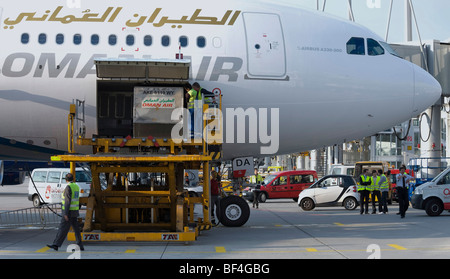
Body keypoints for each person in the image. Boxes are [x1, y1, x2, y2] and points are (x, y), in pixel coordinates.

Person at [47, 173, 84, 251]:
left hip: (69, 212)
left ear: (66, 179)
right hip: (74, 211)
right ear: (73, 179)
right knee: (76, 229)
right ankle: (80, 245)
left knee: (62, 228)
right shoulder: (76, 186)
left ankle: (56, 244)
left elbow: (67, 201)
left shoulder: (68, 187)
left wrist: (65, 214)